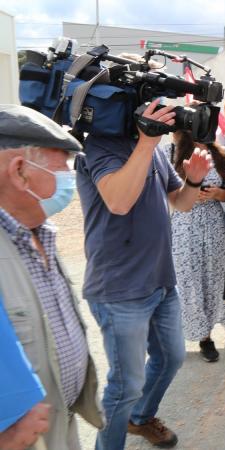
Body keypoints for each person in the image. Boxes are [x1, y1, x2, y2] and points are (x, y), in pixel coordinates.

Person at [75, 99, 213, 449]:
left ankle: (139, 419)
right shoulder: (100, 146)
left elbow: (179, 202)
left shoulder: (152, 150)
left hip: (161, 282)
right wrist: (147, 142)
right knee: (125, 386)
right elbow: (118, 201)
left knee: (171, 358)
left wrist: (193, 181)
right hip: (119, 290)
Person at [0, 104, 103, 449]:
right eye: (63, 166)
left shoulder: (39, 231)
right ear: (20, 172)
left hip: (60, 429)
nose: (69, 179)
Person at [170, 130, 225, 363]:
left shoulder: (223, 154)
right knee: (186, 279)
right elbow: (166, 189)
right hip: (185, 223)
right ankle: (182, 334)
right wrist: (187, 193)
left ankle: (206, 337)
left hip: (213, 224)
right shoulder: (173, 151)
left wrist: (216, 193)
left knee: (211, 279)